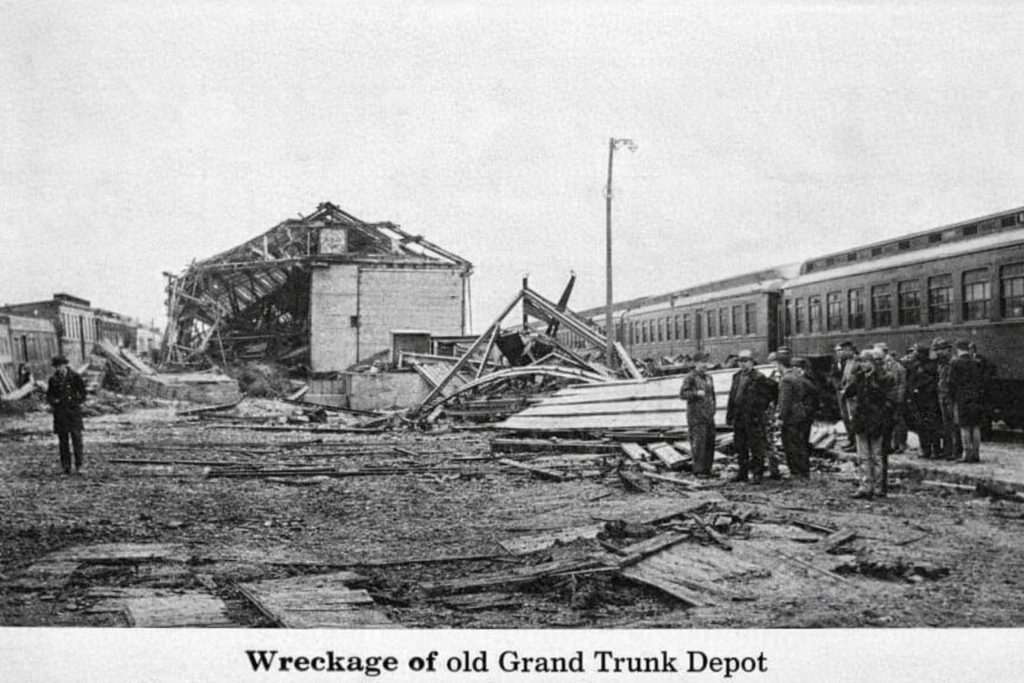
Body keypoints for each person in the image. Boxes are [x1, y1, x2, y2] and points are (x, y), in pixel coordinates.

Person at [842, 348, 896, 499]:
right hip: (862, 421)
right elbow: (848, 392)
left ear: (874, 362)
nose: (863, 365)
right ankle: (865, 486)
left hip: (877, 421)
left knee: (877, 456)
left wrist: (881, 415)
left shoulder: (884, 378)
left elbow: (891, 400)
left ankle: (879, 487)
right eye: (861, 362)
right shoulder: (859, 378)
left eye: (866, 361)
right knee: (863, 456)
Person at [726, 349, 776, 484]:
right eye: (740, 362)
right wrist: (729, 415)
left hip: (753, 418)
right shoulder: (736, 377)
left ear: (752, 362)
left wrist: (760, 410)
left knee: (756, 447)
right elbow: (732, 396)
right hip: (738, 416)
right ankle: (742, 473)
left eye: (745, 361)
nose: (742, 364)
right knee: (740, 446)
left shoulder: (759, 378)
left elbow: (771, 393)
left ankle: (757, 474)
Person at [45, 354, 87, 475]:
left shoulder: (75, 377)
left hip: (73, 413)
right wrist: (54, 401)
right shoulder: (53, 379)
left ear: (65, 365)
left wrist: (76, 402)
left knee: (77, 439)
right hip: (60, 414)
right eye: (56, 366)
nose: (59, 368)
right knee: (63, 441)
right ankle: (66, 466)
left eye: (61, 366)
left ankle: (79, 465)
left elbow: (83, 393)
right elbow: (49, 395)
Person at [778, 356, 817, 479]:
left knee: (791, 443)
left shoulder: (786, 380)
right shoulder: (799, 378)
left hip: (791, 416)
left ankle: (796, 471)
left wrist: (781, 417)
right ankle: (804, 471)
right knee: (800, 442)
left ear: (780, 365)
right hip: (801, 415)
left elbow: (785, 401)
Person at [679, 351, 717, 477]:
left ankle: (707, 469)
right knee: (699, 444)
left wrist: (713, 410)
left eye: (706, 362)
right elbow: (683, 394)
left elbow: (712, 396)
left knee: (710, 443)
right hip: (696, 417)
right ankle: (699, 470)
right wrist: (695, 394)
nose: (705, 365)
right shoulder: (690, 377)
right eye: (702, 362)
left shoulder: (708, 377)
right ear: (695, 363)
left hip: (708, 416)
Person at [949, 340, 985, 463]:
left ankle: (967, 454)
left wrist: (952, 398)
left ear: (958, 349)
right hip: (976, 397)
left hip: (962, 398)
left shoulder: (955, 363)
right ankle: (976, 454)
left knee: (964, 426)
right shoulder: (976, 363)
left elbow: (952, 383)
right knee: (975, 426)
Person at [905, 342, 942, 459]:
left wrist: (919, 388)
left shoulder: (931, 367)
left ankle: (935, 450)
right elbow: (910, 381)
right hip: (918, 400)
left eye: (916, 352)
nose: (914, 354)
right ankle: (926, 449)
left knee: (932, 425)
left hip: (929, 400)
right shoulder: (914, 366)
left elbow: (934, 382)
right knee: (921, 425)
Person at [874, 342, 908, 455]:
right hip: (886, 398)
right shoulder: (882, 364)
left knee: (898, 421)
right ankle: (893, 444)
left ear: (884, 352)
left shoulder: (894, 365)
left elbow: (900, 383)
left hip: (894, 398)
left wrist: (898, 398)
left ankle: (900, 444)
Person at [933, 338, 962, 461]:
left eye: (941, 349)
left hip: (951, 397)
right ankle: (948, 450)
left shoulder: (954, 362)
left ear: (949, 350)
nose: (939, 352)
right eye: (937, 350)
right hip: (943, 396)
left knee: (955, 425)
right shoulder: (941, 363)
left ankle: (956, 451)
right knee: (947, 425)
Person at [830, 341, 857, 452]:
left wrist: (846, 389)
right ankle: (851, 440)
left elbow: (853, 379)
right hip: (843, 392)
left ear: (851, 350)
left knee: (853, 417)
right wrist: (840, 387)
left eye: (845, 350)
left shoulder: (855, 362)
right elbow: (837, 377)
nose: (842, 353)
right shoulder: (843, 362)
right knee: (845, 416)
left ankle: (855, 442)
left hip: (851, 394)